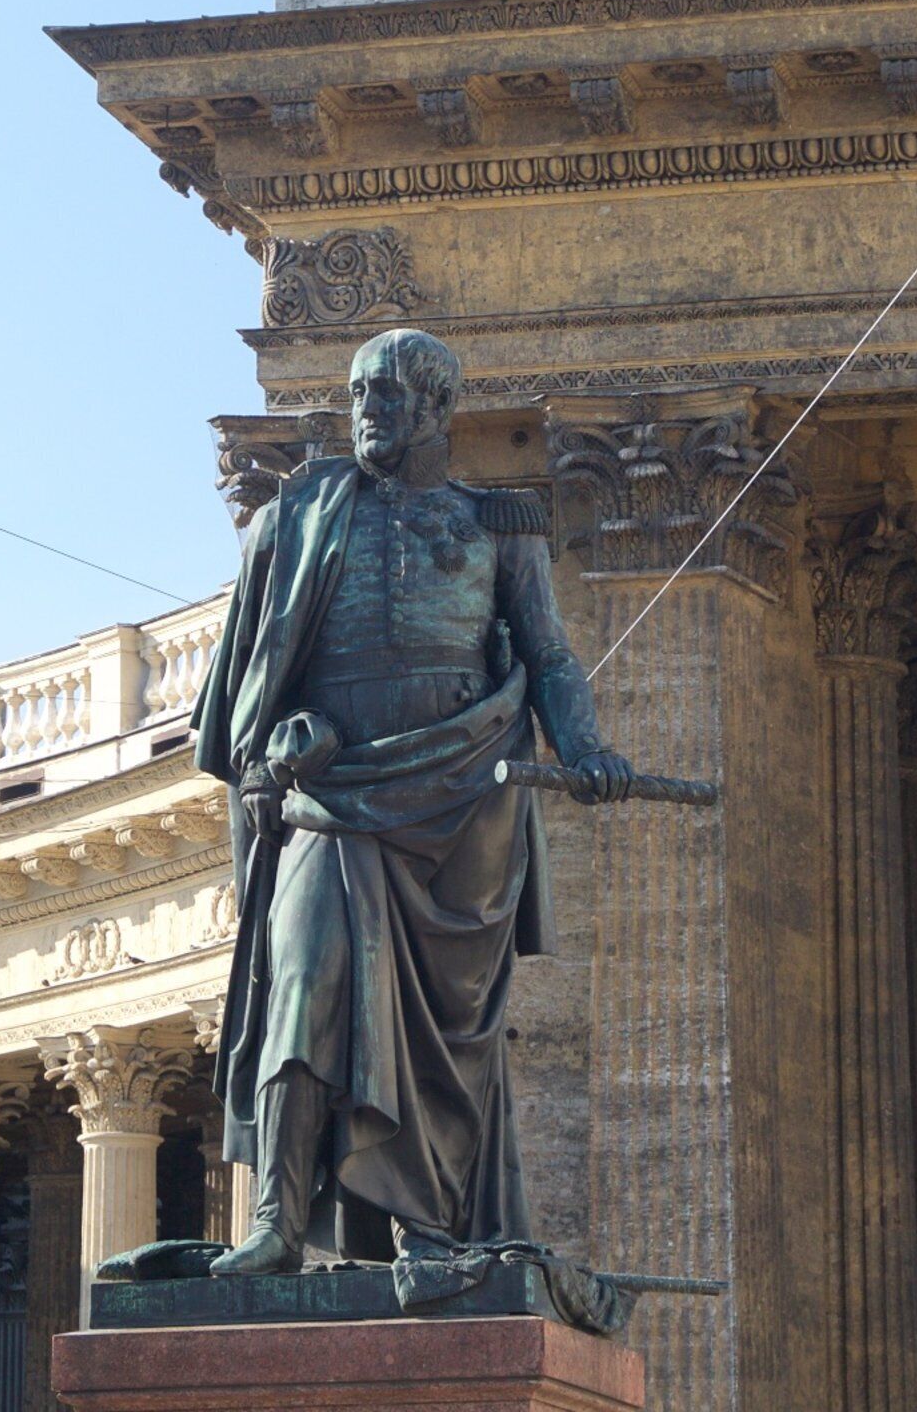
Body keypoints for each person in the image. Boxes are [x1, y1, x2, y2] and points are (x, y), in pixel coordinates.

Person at [197, 329, 641, 1273]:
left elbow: (549, 653)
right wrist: (275, 743)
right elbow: (249, 685)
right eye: (358, 397)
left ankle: (425, 1228)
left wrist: (586, 744)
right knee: (305, 984)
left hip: (459, 804)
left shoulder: (496, 525)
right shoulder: (299, 518)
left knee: (441, 1032)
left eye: (386, 399)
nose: (366, 415)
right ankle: (276, 1219)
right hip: (332, 796)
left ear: (437, 408)